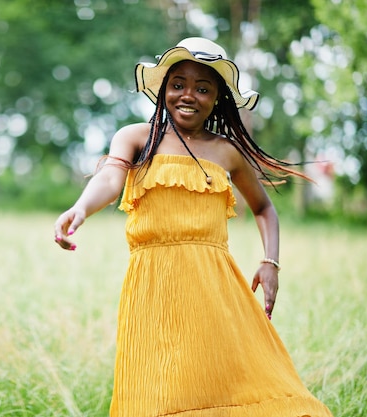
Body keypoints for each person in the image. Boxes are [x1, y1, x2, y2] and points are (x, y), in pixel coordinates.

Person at [54, 37, 333, 417]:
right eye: (178, 84)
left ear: (217, 98)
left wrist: (271, 262)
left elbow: (265, 208)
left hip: (215, 287)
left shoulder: (227, 152)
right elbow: (109, 178)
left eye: (203, 88)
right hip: (152, 285)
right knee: (155, 393)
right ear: (164, 89)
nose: (189, 95)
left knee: (224, 385)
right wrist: (81, 207)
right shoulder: (137, 137)